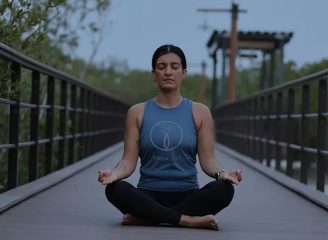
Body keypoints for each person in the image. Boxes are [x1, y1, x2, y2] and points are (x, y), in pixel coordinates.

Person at [98, 44, 242, 230]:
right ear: (153, 73)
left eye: (174, 67)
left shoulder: (200, 112)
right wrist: (114, 174)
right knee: (115, 189)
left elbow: (209, 160)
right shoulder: (137, 112)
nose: (168, 72)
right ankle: (188, 220)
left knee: (224, 189)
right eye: (161, 67)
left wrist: (224, 174)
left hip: (188, 194)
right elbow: (128, 161)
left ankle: (149, 218)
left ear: (184, 72)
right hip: (148, 193)